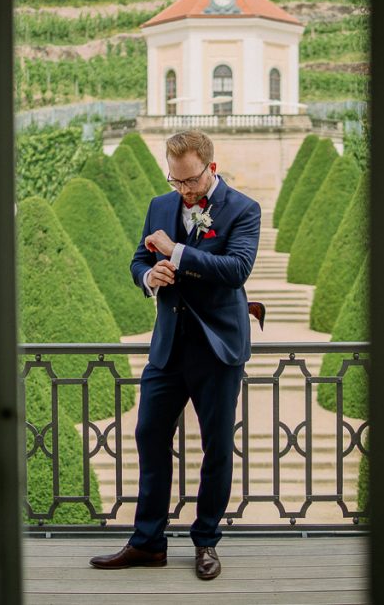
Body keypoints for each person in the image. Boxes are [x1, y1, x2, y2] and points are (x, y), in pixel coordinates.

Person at [89, 129, 261, 580]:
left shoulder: (244, 209)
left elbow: (236, 269)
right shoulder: (159, 206)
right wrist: (150, 276)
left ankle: (206, 543)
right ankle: (148, 542)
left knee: (216, 448)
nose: (183, 191)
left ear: (211, 168)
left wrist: (177, 252)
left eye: (190, 181)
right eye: (175, 182)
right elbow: (136, 260)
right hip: (167, 347)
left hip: (217, 349)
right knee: (148, 435)